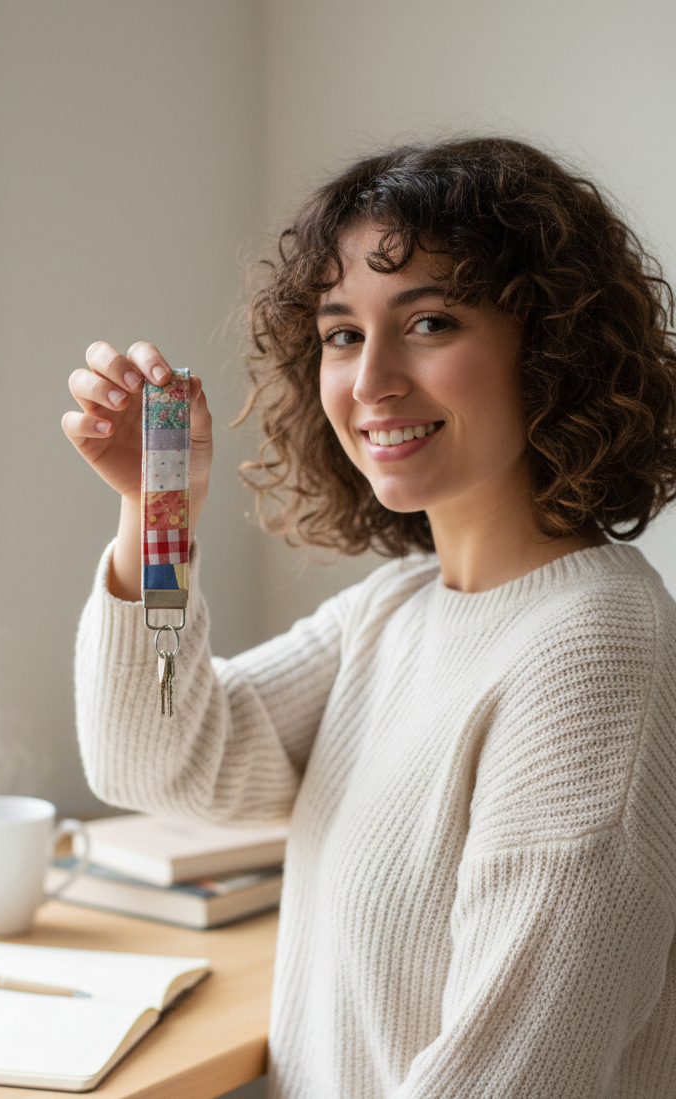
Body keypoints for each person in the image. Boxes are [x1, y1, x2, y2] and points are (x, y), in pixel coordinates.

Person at [62, 138, 676, 1099]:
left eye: (430, 321)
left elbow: (510, 1080)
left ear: (552, 344)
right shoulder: (395, 611)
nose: (371, 379)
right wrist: (159, 513)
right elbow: (160, 759)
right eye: (343, 333)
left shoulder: (594, 649)